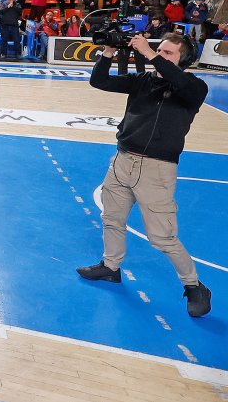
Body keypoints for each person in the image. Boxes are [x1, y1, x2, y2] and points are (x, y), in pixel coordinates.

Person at [77, 33, 212, 317]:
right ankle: (110, 267)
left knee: (163, 237)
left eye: (169, 53)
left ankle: (194, 286)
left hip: (157, 169)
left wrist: (150, 53)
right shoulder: (144, 81)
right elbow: (99, 81)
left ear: (183, 60)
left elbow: (180, 81)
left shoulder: (194, 88)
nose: (160, 55)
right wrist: (108, 52)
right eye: (160, 49)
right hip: (122, 160)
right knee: (112, 219)